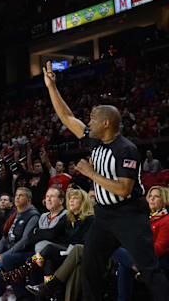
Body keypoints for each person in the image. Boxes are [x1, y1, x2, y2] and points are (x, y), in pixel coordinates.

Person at [42, 60, 169, 301]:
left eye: (92, 119)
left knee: (149, 269)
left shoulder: (126, 149)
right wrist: (51, 88)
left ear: (106, 123)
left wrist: (91, 174)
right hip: (104, 216)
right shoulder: (96, 140)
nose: (88, 123)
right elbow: (68, 117)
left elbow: (124, 189)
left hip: (129, 214)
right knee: (90, 267)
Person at [111, 186, 169, 301]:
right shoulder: (144, 217)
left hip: (158, 259)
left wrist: (138, 253)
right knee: (113, 247)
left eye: (156, 196)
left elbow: (159, 248)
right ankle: (138, 267)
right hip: (140, 257)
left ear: (164, 200)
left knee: (124, 264)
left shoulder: (166, 220)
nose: (151, 199)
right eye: (150, 196)